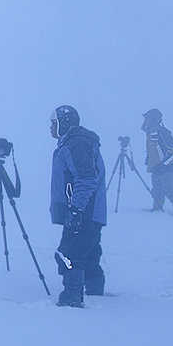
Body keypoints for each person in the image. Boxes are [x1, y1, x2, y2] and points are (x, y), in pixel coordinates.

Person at [49, 104, 107, 307]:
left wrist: (76, 210)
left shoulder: (77, 144)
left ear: (65, 123)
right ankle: (94, 292)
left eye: (54, 123)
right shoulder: (74, 142)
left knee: (69, 253)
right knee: (89, 251)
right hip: (89, 211)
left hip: (83, 211)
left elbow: (86, 178)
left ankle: (72, 297)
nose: (51, 127)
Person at [141, 108, 173, 216]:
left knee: (171, 191)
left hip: (167, 168)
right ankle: (157, 210)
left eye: (148, 118)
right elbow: (154, 150)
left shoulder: (163, 132)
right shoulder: (151, 133)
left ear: (154, 119)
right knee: (157, 191)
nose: (145, 121)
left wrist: (163, 165)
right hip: (156, 168)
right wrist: (150, 161)